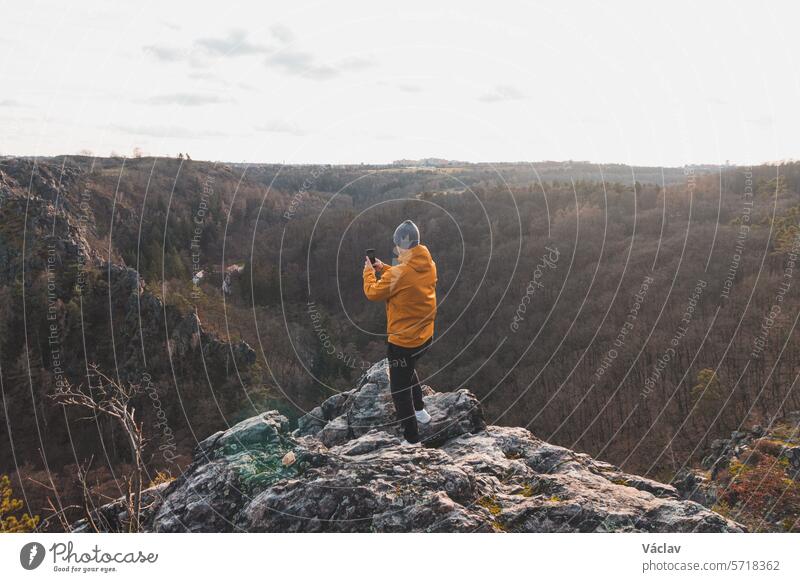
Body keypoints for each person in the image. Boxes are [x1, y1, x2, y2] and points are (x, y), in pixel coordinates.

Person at [363, 219, 437, 445]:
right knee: (408, 368)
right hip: (424, 336)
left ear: (401, 245)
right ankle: (420, 411)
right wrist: (384, 268)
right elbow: (403, 276)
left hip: (403, 340)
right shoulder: (428, 263)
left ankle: (412, 438)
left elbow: (373, 293)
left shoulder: (401, 273)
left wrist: (369, 272)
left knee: (398, 388)